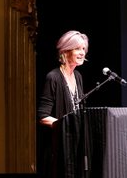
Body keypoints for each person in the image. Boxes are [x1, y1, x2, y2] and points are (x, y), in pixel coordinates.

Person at [37, 30, 89, 176]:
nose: (82, 53)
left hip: (76, 145)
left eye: (83, 49)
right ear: (65, 51)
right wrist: (65, 125)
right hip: (59, 148)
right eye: (77, 48)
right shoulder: (53, 77)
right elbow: (42, 116)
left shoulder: (78, 76)